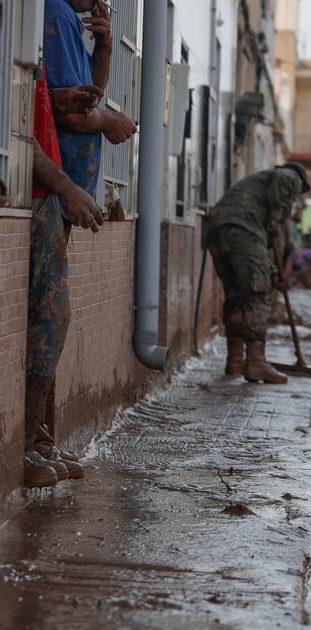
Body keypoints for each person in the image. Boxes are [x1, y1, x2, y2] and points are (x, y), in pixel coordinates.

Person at [23, 75, 106, 488]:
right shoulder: (41, 15)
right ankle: (24, 443)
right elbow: (19, 134)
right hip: (34, 194)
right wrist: (66, 188)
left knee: (52, 324)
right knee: (49, 319)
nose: (98, 5)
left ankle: (38, 437)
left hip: (47, 196)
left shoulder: (47, 32)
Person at [205, 164, 310, 384]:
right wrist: (274, 219)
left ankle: (235, 360)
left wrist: (271, 269)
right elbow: (283, 181)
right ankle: (256, 362)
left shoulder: (257, 186)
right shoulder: (290, 177)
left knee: (235, 295)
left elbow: (263, 248)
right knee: (257, 295)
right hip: (242, 231)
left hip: (217, 231)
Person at [44, 0, 137, 202]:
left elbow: (93, 93)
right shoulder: (58, 15)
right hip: (52, 186)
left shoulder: (66, 17)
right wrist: (108, 121)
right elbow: (70, 112)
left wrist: (104, 46)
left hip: (63, 189)